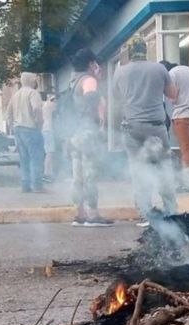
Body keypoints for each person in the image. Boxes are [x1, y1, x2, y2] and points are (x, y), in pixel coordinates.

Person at [112, 36, 178, 226]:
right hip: (156, 127)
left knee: (138, 170)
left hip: (131, 128)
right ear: (145, 49)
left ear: (130, 52)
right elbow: (173, 95)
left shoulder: (120, 72)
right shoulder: (159, 68)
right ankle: (171, 212)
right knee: (163, 168)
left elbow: (116, 104)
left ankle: (145, 214)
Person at [68, 48, 114, 227]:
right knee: (90, 174)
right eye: (95, 62)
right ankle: (92, 215)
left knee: (77, 176)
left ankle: (78, 214)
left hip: (75, 133)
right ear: (90, 63)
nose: (97, 65)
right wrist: (96, 80)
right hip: (87, 133)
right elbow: (91, 98)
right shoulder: (88, 80)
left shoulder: (73, 80)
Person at [160, 60, 189, 187]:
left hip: (182, 115)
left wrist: (169, 97)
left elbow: (173, 95)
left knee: (185, 150)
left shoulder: (171, 74)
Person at [5, 72, 44, 193]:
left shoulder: (15, 95)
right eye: (35, 79)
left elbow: (8, 114)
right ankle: (37, 186)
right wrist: (39, 123)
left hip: (18, 130)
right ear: (31, 80)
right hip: (31, 129)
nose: (36, 82)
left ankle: (25, 185)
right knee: (36, 158)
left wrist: (13, 127)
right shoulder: (33, 93)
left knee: (24, 159)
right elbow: (37, 108)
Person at [42, 94, 57, 183]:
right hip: (48, 130)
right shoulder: (49, 104)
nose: (55, 101)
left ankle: (49, 173)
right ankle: (47, 173)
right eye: (54, 99)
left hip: (44, 129)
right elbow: (55, 107)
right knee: (49, 153)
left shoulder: (43, 105)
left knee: (48, 153)